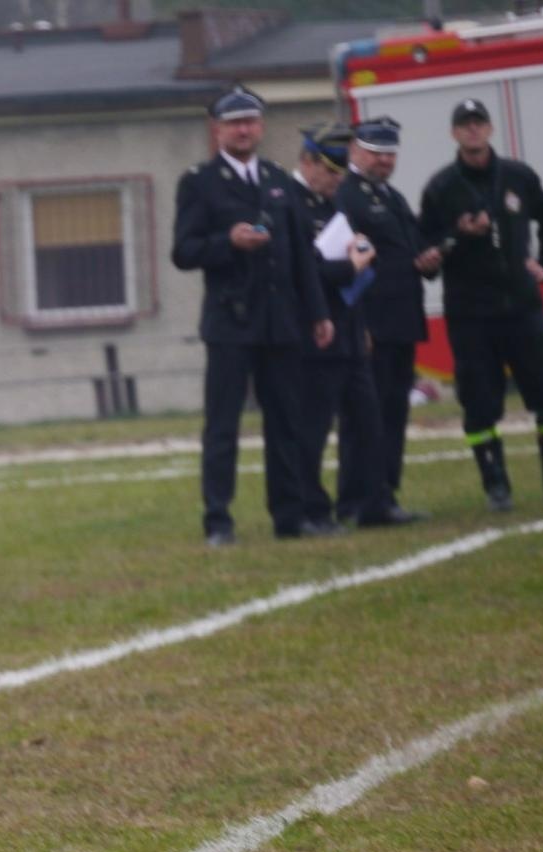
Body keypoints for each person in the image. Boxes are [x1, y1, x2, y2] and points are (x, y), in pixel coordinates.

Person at [172, 86, 334, 546]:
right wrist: (229, 243)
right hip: (231, 322)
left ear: (261, 126)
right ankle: (219, 521)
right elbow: (183, 252)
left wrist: (318, 312)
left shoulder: (278, 180)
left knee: (286, 423)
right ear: (218, 129)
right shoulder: (200, 183)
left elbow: (302, 253)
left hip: (280, 321)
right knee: (223, 426)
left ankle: (290, 515)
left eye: (251, 121)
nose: (243, 130)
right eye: (234, 122)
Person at [418, 98, 543, 509]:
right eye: (464, 125)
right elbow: (425, 254)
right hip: (470, 314)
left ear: (490, 129)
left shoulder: (518, 176)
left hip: (522, 307)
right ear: (454, 133)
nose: (472, 131)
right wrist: (457, 237)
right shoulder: (440, 188)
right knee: (478, 402)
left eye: (478, 123)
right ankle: (497, 489)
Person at [334, 116, 436, 526]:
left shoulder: (391, 197)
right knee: (364, 417)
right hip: (372, 323)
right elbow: (347, 262)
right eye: (377, 153)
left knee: (393, 413)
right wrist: (359, 324)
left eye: (390, 154)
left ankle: (385, 495)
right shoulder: (348, 197)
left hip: (401, 319)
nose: (385, 161)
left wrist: (428, 260)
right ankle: (357, 501)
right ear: (355, 151)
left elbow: (410, 248)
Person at [289, 123, 386, 533]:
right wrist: (351, 265)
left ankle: (366, 502)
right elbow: (305, 272)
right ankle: (313, 508)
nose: (336, 180)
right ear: (308, 162)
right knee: (313, 429)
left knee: (366, 420)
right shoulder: (290, 204)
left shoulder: (330, 206)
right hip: (314, 333)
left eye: (340, 173)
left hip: (347, 329)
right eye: (329, 171)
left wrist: (360, 324)